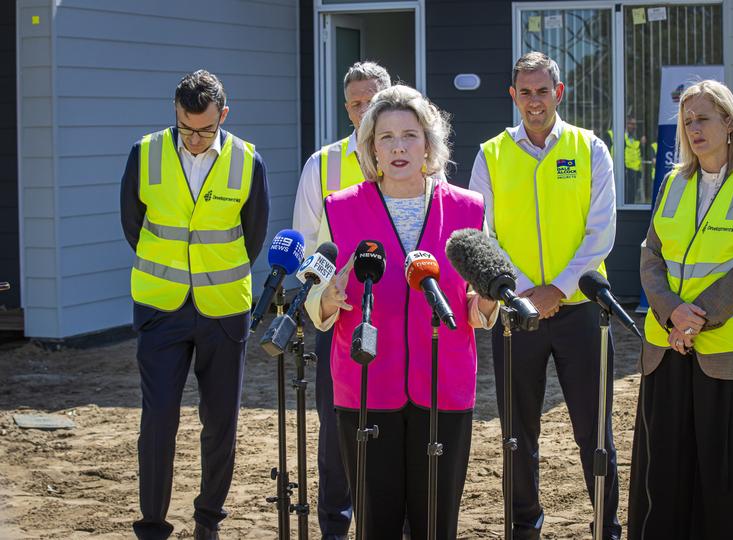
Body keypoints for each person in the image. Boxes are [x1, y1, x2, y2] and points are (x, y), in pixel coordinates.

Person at [304, 85, 499, 539]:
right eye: (385, 137)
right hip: (366, 386)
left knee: (436, 524)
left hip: (444, 387)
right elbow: (313, 295)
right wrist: (326, 299)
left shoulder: (468, 209)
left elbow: (474, 308)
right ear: (370, 147)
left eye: (409, 135)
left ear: (428, 144)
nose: (397, 147)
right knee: (377, 524)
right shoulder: (339, 209)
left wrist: (486, 302)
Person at [469, 51, 620, 540]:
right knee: (517, 435)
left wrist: (558, 288)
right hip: (517, 315)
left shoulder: (590, 148)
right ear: (513, 96)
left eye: (543, 91)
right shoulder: (490, 154)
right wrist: (520, 291)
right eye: (525, 92)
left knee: (595, 433)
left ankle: (608, 526)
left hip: (581, 314)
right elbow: (481, 232)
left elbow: (601, 232)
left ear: (560, 93)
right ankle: (524, 526)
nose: (534, 101)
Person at [120, 70, 270, 540]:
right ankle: (152, 525)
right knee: (159, 417)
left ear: (223, 116)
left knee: (220, 420)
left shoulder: (248, 161)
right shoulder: (145, 153)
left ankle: (209, 519)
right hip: (160, 308)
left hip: (224, 309)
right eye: (186, 127)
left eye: (205, 128)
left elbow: (254, 235)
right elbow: (133, 223)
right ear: (175, 113)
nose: (195, 138)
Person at [628, 80, 733, 539]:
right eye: (687, 121)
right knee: (665, 477)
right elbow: (651, 256)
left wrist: (699, 316)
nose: (693, 128)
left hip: (727, 357)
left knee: (725, 482)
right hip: (665, 347)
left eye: (703, 118)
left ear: (729, 124)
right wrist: (672, 312)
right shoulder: (673, 182)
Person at [292, 60, 391, 540]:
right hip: (340, 318)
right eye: (356, 102)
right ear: (347, 107)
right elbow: (309, 245)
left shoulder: (416, 154)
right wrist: (325, 297)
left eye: (373, 98)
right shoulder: (323, 164)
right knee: (335, 430)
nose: (365, 108)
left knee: (398, 426)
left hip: (400, 312)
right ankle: (335, 526)